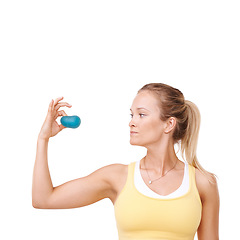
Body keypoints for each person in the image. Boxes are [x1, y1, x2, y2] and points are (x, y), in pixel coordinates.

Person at [32, 83, 219, 240]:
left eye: (142, 114)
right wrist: (43, 139)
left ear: (169, 124)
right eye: (132, 115)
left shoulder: (203, 183)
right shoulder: (116, 177)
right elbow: (43, 199)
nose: (131, 122)